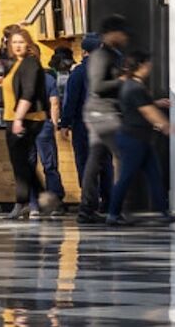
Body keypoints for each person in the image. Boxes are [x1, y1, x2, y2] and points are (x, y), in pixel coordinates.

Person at [107, 51, 175, 226]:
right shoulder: (135, 87)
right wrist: (165, 125)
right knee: (126, 176)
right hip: (133, 139)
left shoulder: (132, 86)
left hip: (141, 138)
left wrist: (156, 107)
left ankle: (164, 212)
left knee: (154, 175)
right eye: (147, 64)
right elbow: (146, 111)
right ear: (140, 66)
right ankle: (113, 213)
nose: (150, 67)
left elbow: (142, 106)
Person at [76, 17, 130, 224]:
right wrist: (122, 80)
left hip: (101, 113)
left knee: (95, 160)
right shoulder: (101, 56)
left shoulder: (113, 55)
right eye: (122, 33)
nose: (125, 37)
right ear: (111, 34)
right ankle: (115, 209)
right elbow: (97, 86)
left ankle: (87, 209)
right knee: (125, 157)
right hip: (104, 115)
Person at [3, 28, 58, 220]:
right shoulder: (16, 64)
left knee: (21, 162)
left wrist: (19, 118)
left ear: (28, 44)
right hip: (14, 118)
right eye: (14, 42)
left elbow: (28, 92)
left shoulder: (30, 64)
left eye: (21, 42)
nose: (17, 45)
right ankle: (40, 199)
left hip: (27, 119)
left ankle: (25, 202)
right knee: (21, 163)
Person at [60, 32, 112, 214]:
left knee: (85, 162)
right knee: (105, 163)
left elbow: (71, 100)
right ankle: (108, 201)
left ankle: (90, 202)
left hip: (84, 124)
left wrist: (64, 123)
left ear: (84, 50)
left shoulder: (79, 73)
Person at [37, 47, 71, 205]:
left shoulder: (18, 76)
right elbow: (55, 104)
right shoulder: (49, 78)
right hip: (44, 124)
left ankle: (31, 203)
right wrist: (55, 123)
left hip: (24, 125)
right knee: (49, 165)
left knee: (27, 166)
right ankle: (56, 198)